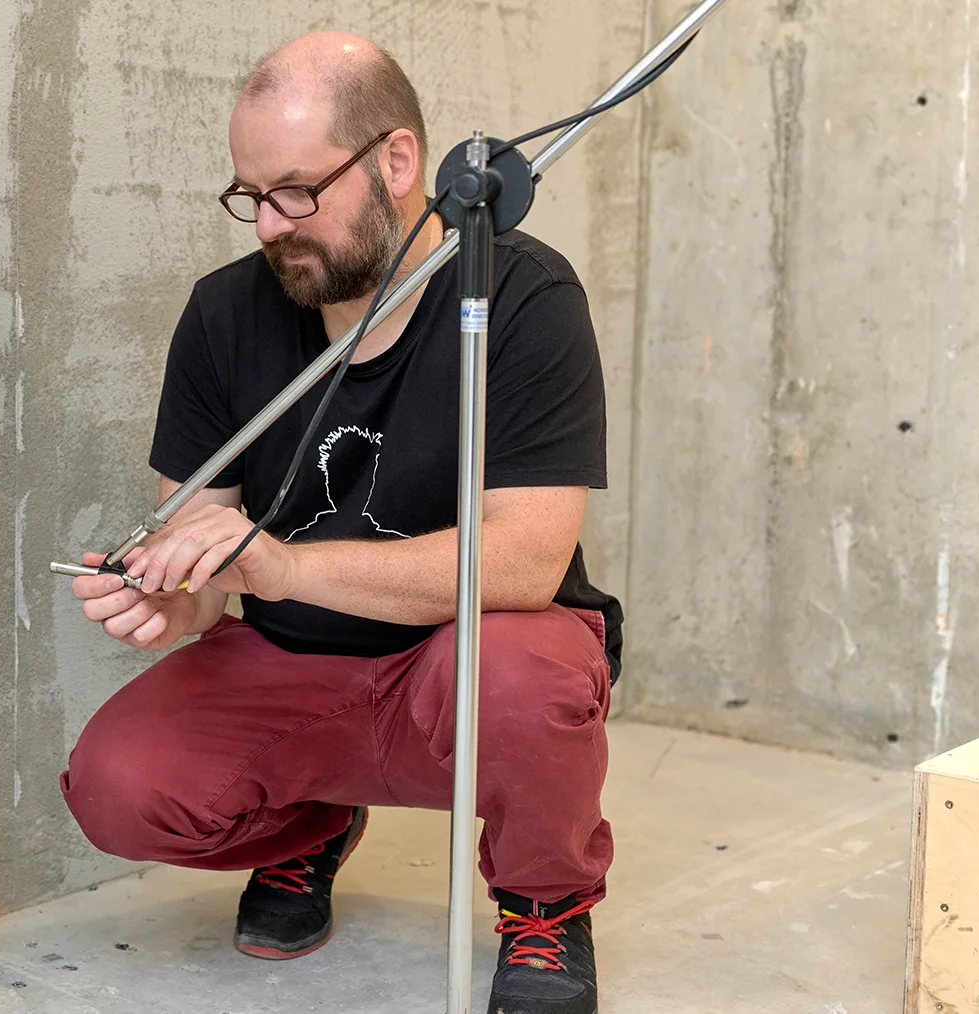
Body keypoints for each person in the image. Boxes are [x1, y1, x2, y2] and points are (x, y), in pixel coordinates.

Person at [57, 30, 623, 1014]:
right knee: (118, 782)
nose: (271, 224)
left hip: (465, 659)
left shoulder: (524, 298)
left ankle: (544, 899)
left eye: (295, 191)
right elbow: (203, 548)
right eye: (251, 195)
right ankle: (310, 826)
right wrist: (169, 594)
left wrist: (280, 569)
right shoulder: (223, 315)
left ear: (397, 163)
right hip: (291, 666)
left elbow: (528, 561)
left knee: (523, 679)